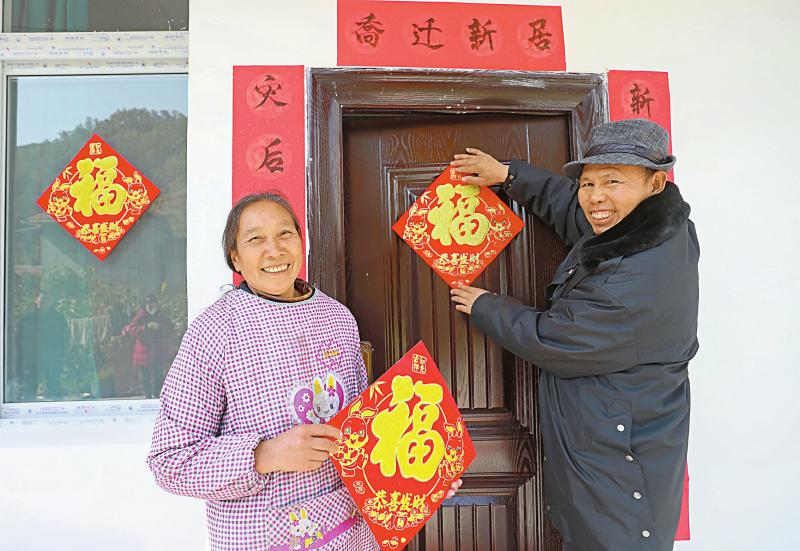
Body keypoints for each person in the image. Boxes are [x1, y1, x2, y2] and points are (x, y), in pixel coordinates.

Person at [148, 192, 461, 550]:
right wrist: (265, 454)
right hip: (265, 536)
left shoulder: (337, 317)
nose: (274, 250)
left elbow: (365, 435)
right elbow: (169, 461)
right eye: (255, 239)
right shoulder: (216, 330)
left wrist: (424, 475)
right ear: (235, 257)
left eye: (285, 233)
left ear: (301, 241)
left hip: (353, 532)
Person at [449, 119, 698, 551]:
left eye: (613, 181)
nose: (596, 197)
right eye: (588, 182)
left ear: (655, 182)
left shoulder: (632, 285)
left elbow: (554, 339)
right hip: (611, 441)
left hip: (621, 469)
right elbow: (575, 209)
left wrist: (486, 306)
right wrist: (508, 175)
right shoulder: (651, 226)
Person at [123, 294, 171, 399]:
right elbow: (131, 329)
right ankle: (147, 396)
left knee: (158, 375)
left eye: (153, 303)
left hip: (158, 351)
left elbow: (170, 329)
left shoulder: (162, 316)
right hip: (143, 353)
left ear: (157, 304)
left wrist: (159, 327)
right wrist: (146, 327)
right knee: (145, 376)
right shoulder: (140, 316)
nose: (151, 306)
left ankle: (158, 396)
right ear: (145, 305)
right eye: (148, 304)